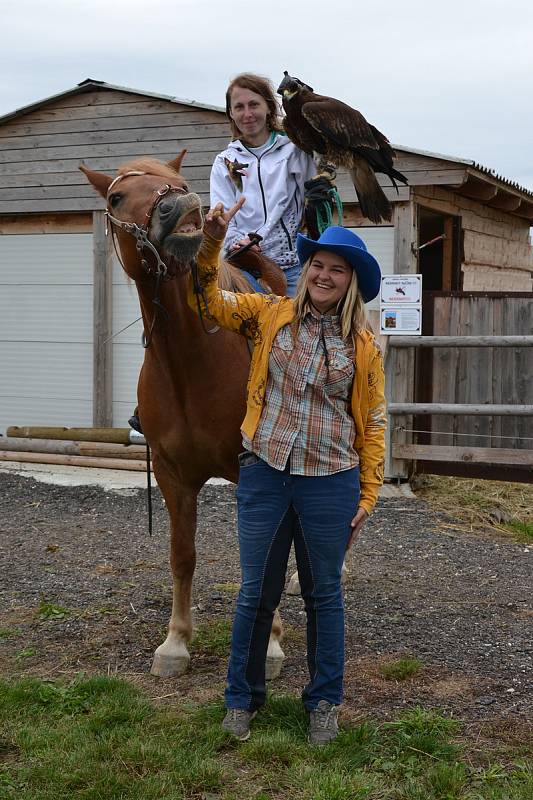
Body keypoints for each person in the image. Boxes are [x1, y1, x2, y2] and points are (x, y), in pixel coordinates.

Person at [188, 206, 386, 746]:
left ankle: (323, 701)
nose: (324, 275)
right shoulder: (267, 313)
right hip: (265, 473)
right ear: (308, 269)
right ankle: (241, 699)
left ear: (351, 282)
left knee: (325, 594)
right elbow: (205, 300)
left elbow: (372, 421)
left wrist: (368, 494)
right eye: (319, 264)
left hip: (332, 479)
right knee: (256, 592)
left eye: (337, 269)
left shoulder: (364, 346)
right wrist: (210, 244)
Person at [210, 73, 315, 296]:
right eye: (239, 107)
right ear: (230, 113)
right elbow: (222, 215)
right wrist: (241, 243)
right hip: (244, 268)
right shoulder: (225, 162)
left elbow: (313, 198)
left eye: (253, 105)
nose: (247, 114)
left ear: (269, 107)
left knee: (300, 329)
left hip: (292, 268)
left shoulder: (294, 150)